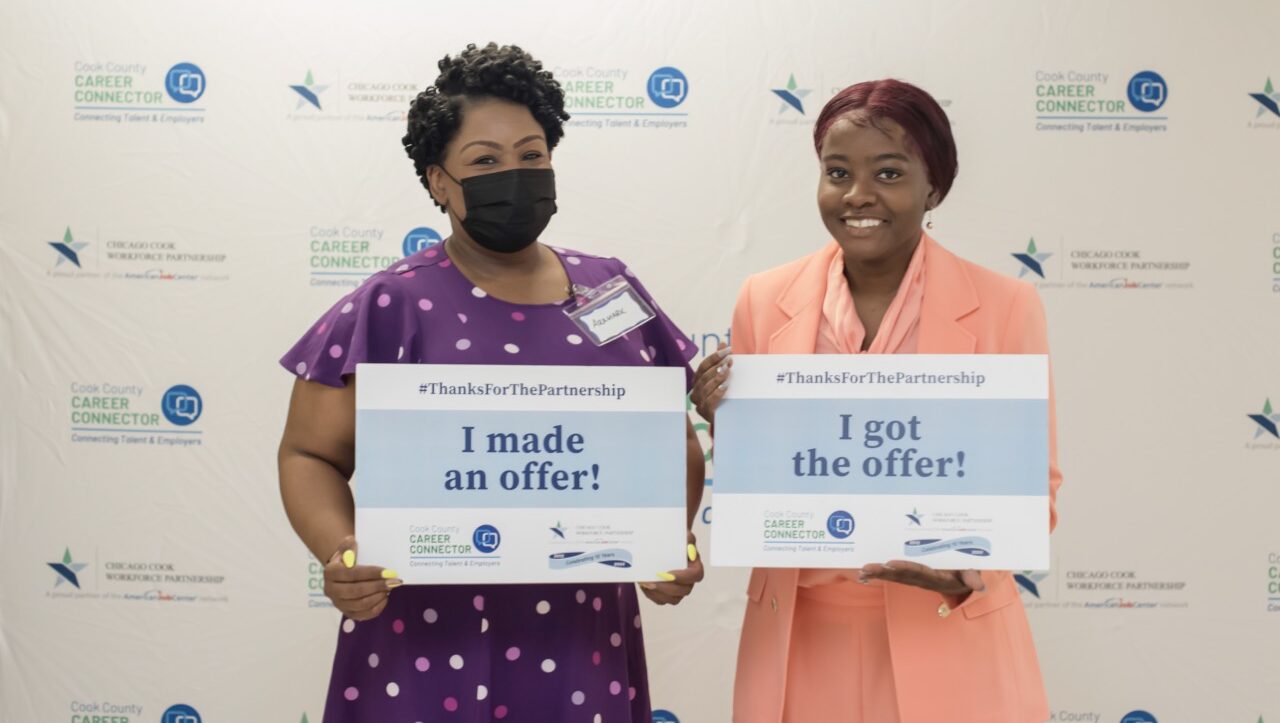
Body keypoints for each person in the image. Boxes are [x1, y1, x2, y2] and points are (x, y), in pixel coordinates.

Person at [277, 43, 705, 723]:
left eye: (532, 154)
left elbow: (672, 437)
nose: (515, 174)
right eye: (485, 161)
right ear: (438, 181)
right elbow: (310, 454)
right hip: (419, 636)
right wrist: (342, 549)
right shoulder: (392, 302)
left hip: (580, 638)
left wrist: (667, 541)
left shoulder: (610, 288)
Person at [691, 79, 1063, 722]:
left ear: (933, 187)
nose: (858, 195)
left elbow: (1035, 485)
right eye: (838, 172)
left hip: (946, 627)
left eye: (888, 172)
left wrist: (971, 565)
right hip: (799, 637)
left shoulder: (1006, 304)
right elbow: (768, 474)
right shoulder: (762, 297)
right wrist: (721, 419)